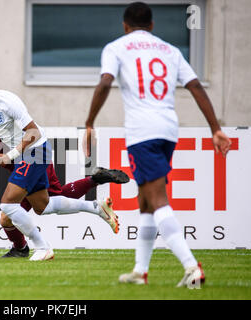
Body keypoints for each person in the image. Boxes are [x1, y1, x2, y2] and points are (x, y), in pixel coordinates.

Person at [84, 2, 231, 287]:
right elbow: (196, 87)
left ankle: (191, 267)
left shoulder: (117, 47)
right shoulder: (170, 50)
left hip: (143, 132)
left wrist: (89, 122)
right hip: (168, 130)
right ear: (152, 25)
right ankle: (141, 270)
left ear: (125, 26)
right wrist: (215, 129)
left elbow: (104, 83)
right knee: (146, 202)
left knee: (157, 199)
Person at [0, 72, 125, 261]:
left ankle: (43, 247)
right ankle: (96, 207)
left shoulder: (7, 102)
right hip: (23, 156)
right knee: (44, 205)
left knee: (8, 205)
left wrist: (9, 155)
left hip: (35, 149)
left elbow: (33, 132)